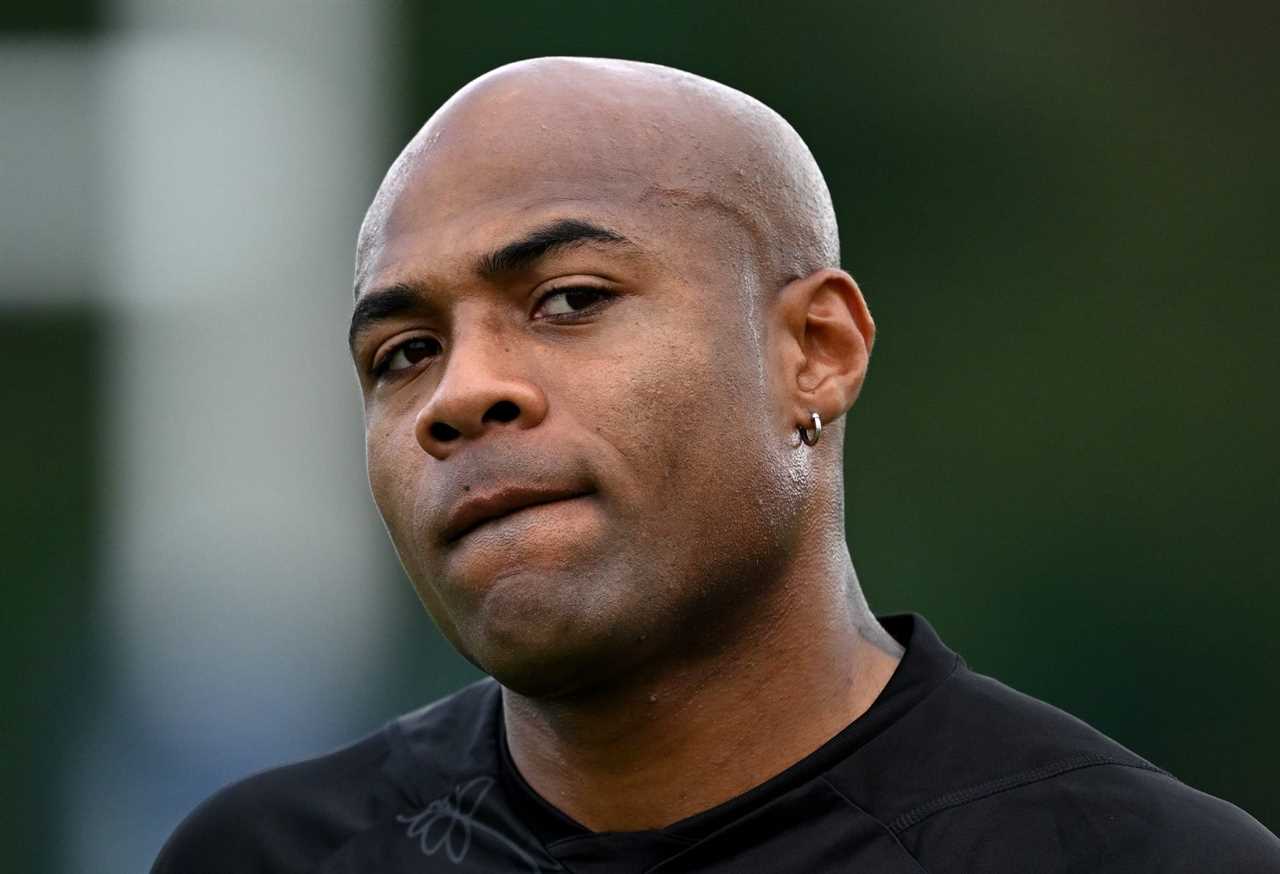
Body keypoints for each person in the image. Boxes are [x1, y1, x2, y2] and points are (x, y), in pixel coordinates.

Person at [151, 57, 1280, 873]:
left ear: (814, 352)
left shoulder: (1122, 856)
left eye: (570, 300)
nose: (459, 393)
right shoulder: (267, 852)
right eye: (403, 354)